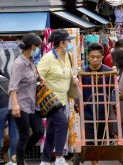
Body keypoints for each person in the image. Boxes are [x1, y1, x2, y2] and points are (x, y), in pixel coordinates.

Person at [37, 29, 78, 165]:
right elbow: (36, 75)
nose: (70, 42)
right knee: (63, 124)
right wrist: (41, 80)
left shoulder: (67, 56)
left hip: (63, 100)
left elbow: (68, 73)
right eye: (68, 41)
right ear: (61, 43)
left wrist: (73, 79)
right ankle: (59, 157)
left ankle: (44, 160)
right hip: (51, 101)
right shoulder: (48, 58)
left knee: (52, 131)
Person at [9, 34, 44, 165]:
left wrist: (40, 79)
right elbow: (13, 86)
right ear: (33, 46)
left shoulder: (31, 61)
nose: (39, 50)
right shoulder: (19, 63)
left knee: (39, 131)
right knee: (24, 135)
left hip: (32, 103)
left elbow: (34, 76)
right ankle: (19, 161)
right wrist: (15, 104)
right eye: (38, 47)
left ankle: (19, 155)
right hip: (20, 104)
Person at [81, 43, 113, 165]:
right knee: (90, 140)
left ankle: (95, 160)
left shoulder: (109, 72)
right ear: (88, 57)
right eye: (92, 56)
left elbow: (113, 90)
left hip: (103, 111)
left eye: (98, 57)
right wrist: (79, 103)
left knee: (100, 140)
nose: (95, 59)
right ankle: (94, 162)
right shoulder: (82, 73)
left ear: (102, 57)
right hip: (88, 111)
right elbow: (78, 91)